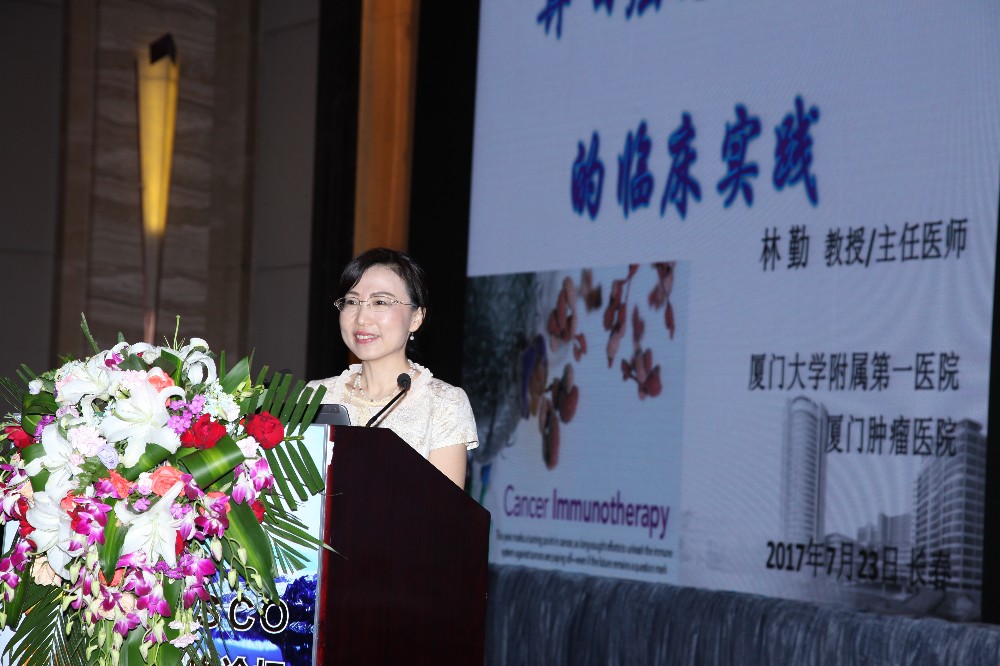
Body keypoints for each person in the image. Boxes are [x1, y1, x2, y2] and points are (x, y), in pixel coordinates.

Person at [307, 247, 478, 488]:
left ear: (416, 318)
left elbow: (444, 509)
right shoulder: (315, 396)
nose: (361, 318)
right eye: (352, 301)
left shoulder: (445, 404)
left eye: (379, 302)